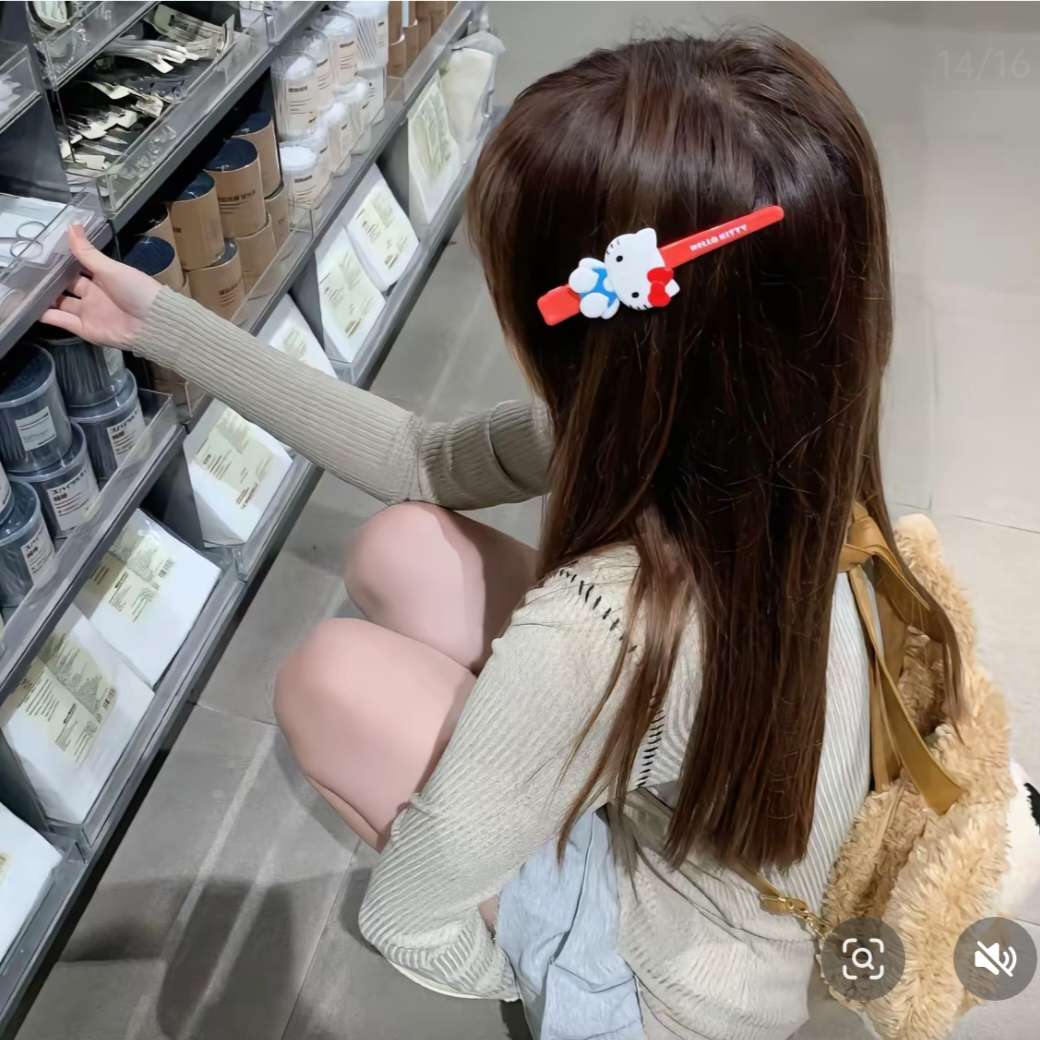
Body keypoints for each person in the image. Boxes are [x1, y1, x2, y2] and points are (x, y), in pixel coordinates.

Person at [40, 27, 967, 1040]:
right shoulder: (789, 441)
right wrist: (161, 324)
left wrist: (549, 979)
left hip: (667, 999)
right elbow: (421, 458)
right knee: (398, 547)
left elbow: (407, 920)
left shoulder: (603, 625)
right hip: (745, 873)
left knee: (329, 677)